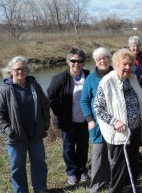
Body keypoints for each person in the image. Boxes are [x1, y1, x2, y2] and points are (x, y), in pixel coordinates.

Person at [93, 48, 142, 193]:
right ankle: (115, 190)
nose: (128, 67)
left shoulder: (132, 79)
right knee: (119, 166)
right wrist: (115, 122)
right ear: (116, 64)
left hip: (134, 130)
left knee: (133, 161)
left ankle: (131, 187)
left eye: (130, 64)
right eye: (124, 64)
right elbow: (98, 108)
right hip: (119, 133)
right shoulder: (107, 82)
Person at [0, 56, 50, 193]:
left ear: (27, 70)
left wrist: (45, 123)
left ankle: (40, 189)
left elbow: (45, 106)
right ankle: (21, 191)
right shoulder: (5, 90)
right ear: (11, 71)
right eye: (17, 69)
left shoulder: (35, 86)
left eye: (23, 69)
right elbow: (0, 114)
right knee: (17, 166)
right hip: (15, 137)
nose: (20, 72)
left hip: (35, 134)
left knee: (39, 163)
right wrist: (9, 130)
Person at [47, 47, 90, 185]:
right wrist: (60, 113)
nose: (76, 63)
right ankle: (72, 172)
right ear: (68, 62)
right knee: (68, 147)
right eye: (73, 60)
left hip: (85, 120)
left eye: (79, 61)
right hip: (67, 121)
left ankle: (82, 170)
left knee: (83, 147)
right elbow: (50, 98)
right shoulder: (59, 78)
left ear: (83, 62)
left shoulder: (89, 76)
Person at [80, 47, 113, 192]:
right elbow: (84, 101)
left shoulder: (117, 74)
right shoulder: (90, 78)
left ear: (109, 59)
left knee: (114, 154)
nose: (102, 61)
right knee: (98, 155)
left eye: (105, 57)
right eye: (99, 59)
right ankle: (96, 186)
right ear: (95, 61)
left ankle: (114, 181)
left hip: (116, 123)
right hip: (98, 124)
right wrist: (90, 120)